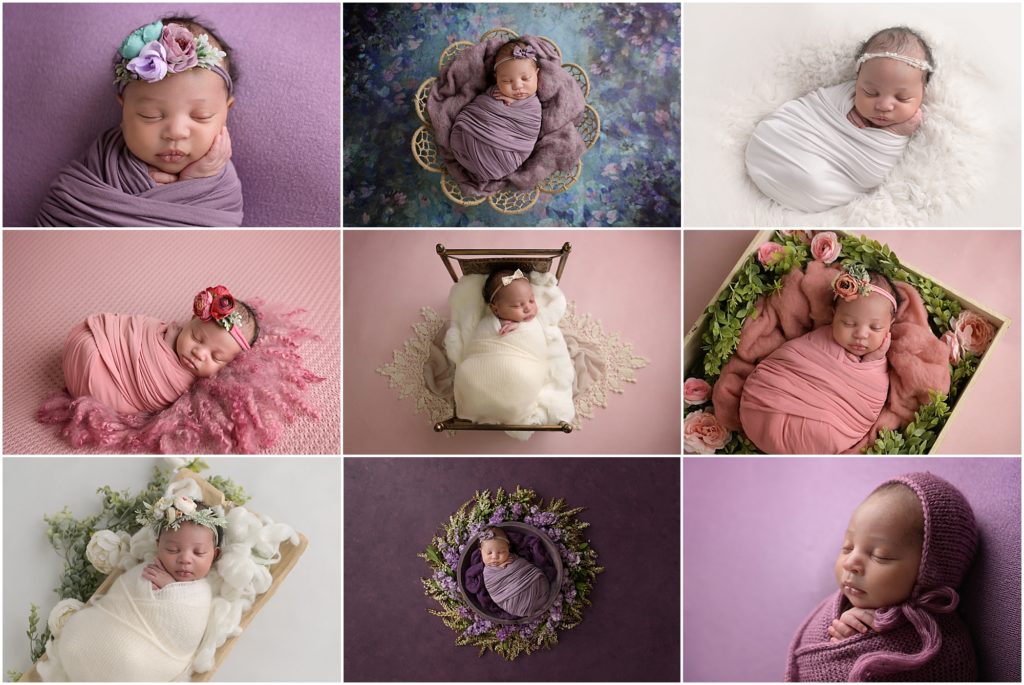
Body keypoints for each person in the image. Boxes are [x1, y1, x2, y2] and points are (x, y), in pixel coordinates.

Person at [37, 16, 243, 226]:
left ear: (226, 112)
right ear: (123, 109)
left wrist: (193, 185)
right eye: (150, 115)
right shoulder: (104, 159)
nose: (176, 132)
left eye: (201, 115)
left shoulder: (221, 187)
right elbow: (61, 208)